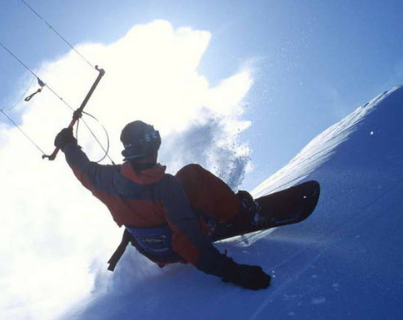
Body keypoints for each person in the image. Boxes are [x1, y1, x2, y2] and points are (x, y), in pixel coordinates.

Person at [54, 120, 271, 290]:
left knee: (184, 183)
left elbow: (82, 168)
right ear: (152, 144)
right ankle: (240, 213)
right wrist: (232, 272)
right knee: (191, 173)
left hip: (154, 252)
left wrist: (67, 145)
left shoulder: (106, 179)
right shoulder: (166, 187)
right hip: (177, 250)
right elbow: (188, 241)